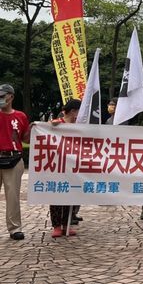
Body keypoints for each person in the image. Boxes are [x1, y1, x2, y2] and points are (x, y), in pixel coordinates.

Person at [0, 84, 30, 241]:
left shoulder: (21, 116)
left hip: (14, 158)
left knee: (13, 196)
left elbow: (24, 138)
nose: (1, 99)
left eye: (3, 95)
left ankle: (15, 228)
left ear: (10, 96)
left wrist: (33, 130)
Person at [49, 99, 82, 237]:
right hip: (57, 165)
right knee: (57, 195)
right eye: (79, 111)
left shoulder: (79, 126)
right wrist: (51, 126)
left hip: (73, 166)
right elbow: (44, 132)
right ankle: (56, 226)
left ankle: (66, 225)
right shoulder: (58, 123)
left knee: (71, 195)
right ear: (74, 111)